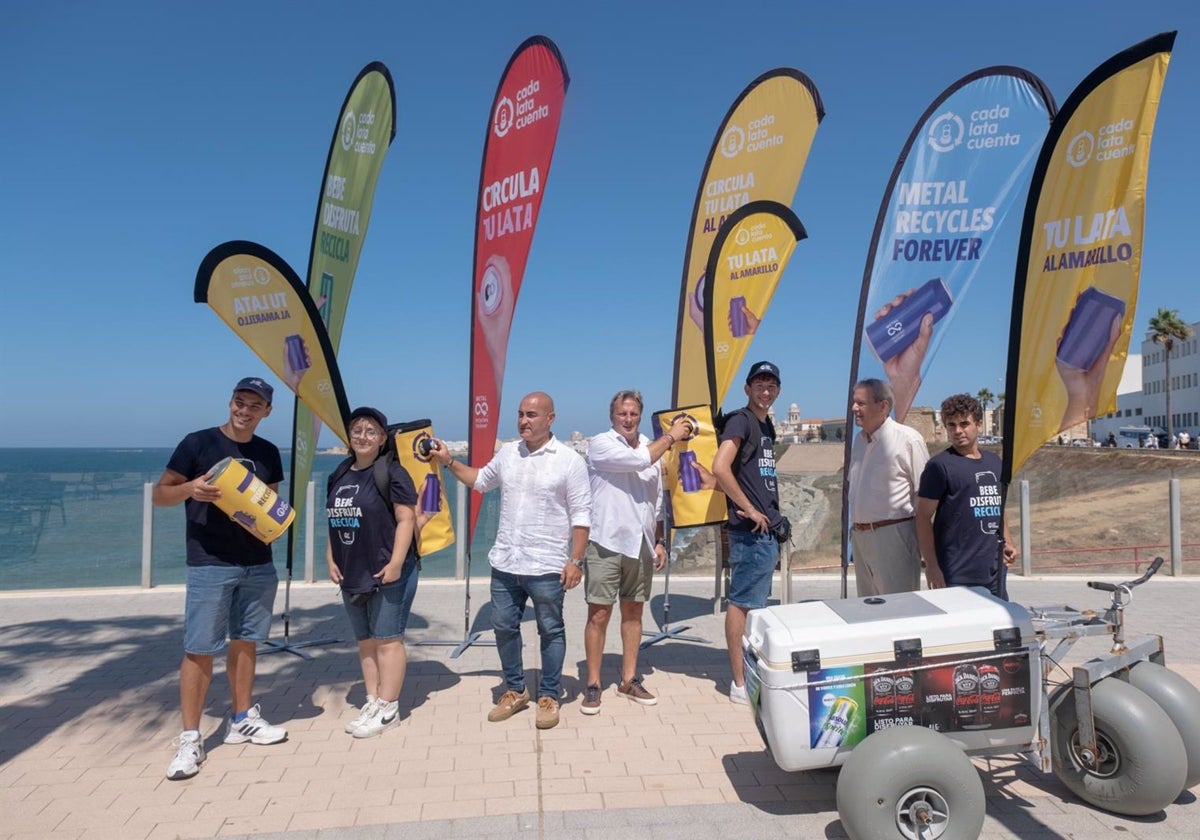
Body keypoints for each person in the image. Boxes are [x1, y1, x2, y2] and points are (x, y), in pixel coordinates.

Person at [153, 377, 287, 781]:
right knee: (199, 649)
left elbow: (271, 504)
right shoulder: (198, 443)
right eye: (239, 402)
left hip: (258, 563)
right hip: (209, 562)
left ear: (267, 412)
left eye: (254, 405)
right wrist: (191, 488)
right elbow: (160, 494)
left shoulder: (267, 453)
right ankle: (191, 738)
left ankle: (242, 718)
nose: (244, 410)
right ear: (230, 403)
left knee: (246, 642)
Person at [430, 392, 591, 729]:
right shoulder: (507, 454)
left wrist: (576, 560)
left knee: (551, 629)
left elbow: (582, 516)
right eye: (520, 414)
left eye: (532, 414)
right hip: (505, 561)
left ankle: (549, 694)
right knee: (503, 627)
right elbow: (480, 481)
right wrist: (448, 461)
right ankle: (515, 690)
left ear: (551, 418)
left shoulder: (569, 460)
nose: (523, 421)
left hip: (546, 564)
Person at [580, 391, 693, 714]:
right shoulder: (602, 444)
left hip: (640, 545)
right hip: (604, 542)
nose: (627, 419)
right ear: (612, 416)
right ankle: (592, 683)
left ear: (640, 416)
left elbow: (656, 502)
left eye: (633, 414)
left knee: (633, 613)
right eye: (622, 414)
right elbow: (640, 460)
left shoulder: (650, 446)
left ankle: (629, 679)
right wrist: (672, 436)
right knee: (599, 614)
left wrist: (659, 540)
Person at [326, 407, 419, 739]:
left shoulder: (393, 473)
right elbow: (333, 519)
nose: (362, 436)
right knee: (365, 641)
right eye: (356, 430)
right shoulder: (338, 473)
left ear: (382, 439)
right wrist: (330, 556)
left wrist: (396, 563)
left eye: (370, 431)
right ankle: (372, 698)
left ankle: (388, 707)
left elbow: (407, 519)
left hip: (388, 569)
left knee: (387, 639)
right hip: (351, 571)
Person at [711, 361, 785, 705]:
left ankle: (748, 675)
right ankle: (740, 683)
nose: (765, 391)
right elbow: (720, 467)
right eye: (760, 385)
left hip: (765, 532)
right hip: (751, 532)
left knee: (753, 606)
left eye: (771, 386)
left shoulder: (765, 424)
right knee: (741, 604)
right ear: (747, 388)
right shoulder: (742, 420)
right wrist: (751, 509)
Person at [916, 394, 1018, 599]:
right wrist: (932, 566)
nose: (957, 431)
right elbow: (922, 517)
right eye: (951, 425)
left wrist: (1007, 540)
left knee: (999, 627)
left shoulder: (994, 462)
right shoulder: (940, 466)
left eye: (964, 423)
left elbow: (999, 506)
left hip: (993, 570)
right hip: (956, 573)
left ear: (978, 425)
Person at [848, 378, 930, 597]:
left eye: (861, 403)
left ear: (883, 406)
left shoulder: (908, 440)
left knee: (899, 609)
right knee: (869, 609)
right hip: (860, 537)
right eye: (854, 402)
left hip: (894, 537)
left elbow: (924, 495)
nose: (854, 408)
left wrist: (927, 550)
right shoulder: (858, 441)